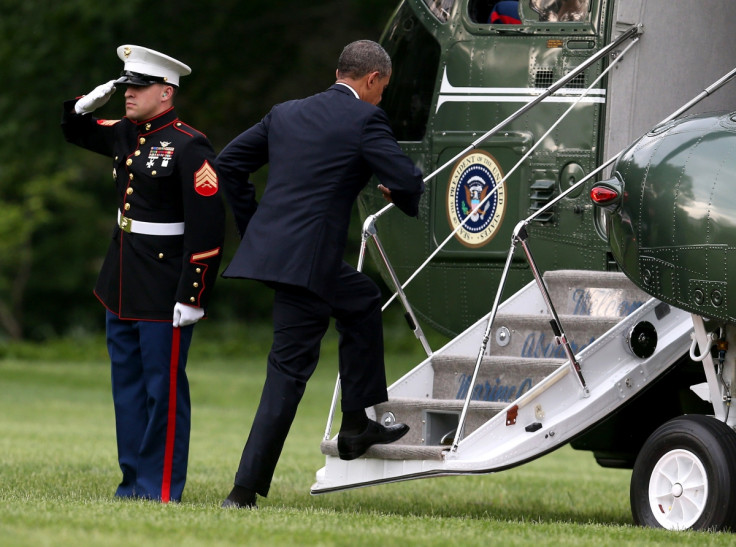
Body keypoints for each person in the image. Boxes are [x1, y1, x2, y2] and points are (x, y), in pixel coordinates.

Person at [216, 39, 425, 509]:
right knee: (287, 374)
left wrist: (255, 229)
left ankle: (356, 423)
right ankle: (243, 491)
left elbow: (229, 163)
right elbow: (409, 180)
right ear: (372, 79)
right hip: (308, 265)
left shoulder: (286, 113)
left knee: (362, 299)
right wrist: (400, 192)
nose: (381, 98)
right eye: (383, 89)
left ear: (338, 72)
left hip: (284, 258)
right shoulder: (366, 118)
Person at [61, 45, 225, 503]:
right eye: (125, 85)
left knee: (163, 392)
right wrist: (81, 106)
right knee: (127, 390)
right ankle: (132, 483)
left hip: (164, 280)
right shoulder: (125, 134)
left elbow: (208, 227)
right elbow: (75, 130)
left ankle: (160, 489)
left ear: (166, 92)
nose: (126, 94)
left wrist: (193, 294)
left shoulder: (191, 145)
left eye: (137, 86)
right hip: (121, 276)